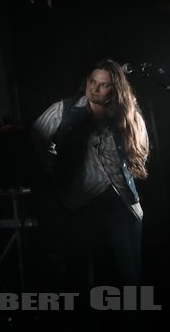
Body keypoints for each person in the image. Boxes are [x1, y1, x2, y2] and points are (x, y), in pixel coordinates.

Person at [31, 59, 149, 324]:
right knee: (82, 279)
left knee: (130, 280)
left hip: (122, 204)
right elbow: (37, 138)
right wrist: (56, 167)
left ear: (115, 89)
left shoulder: (128, 115)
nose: (96, 88)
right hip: (81, 204)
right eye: (92, 82)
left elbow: (140, 152)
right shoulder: (64, 110)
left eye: (104, 85)